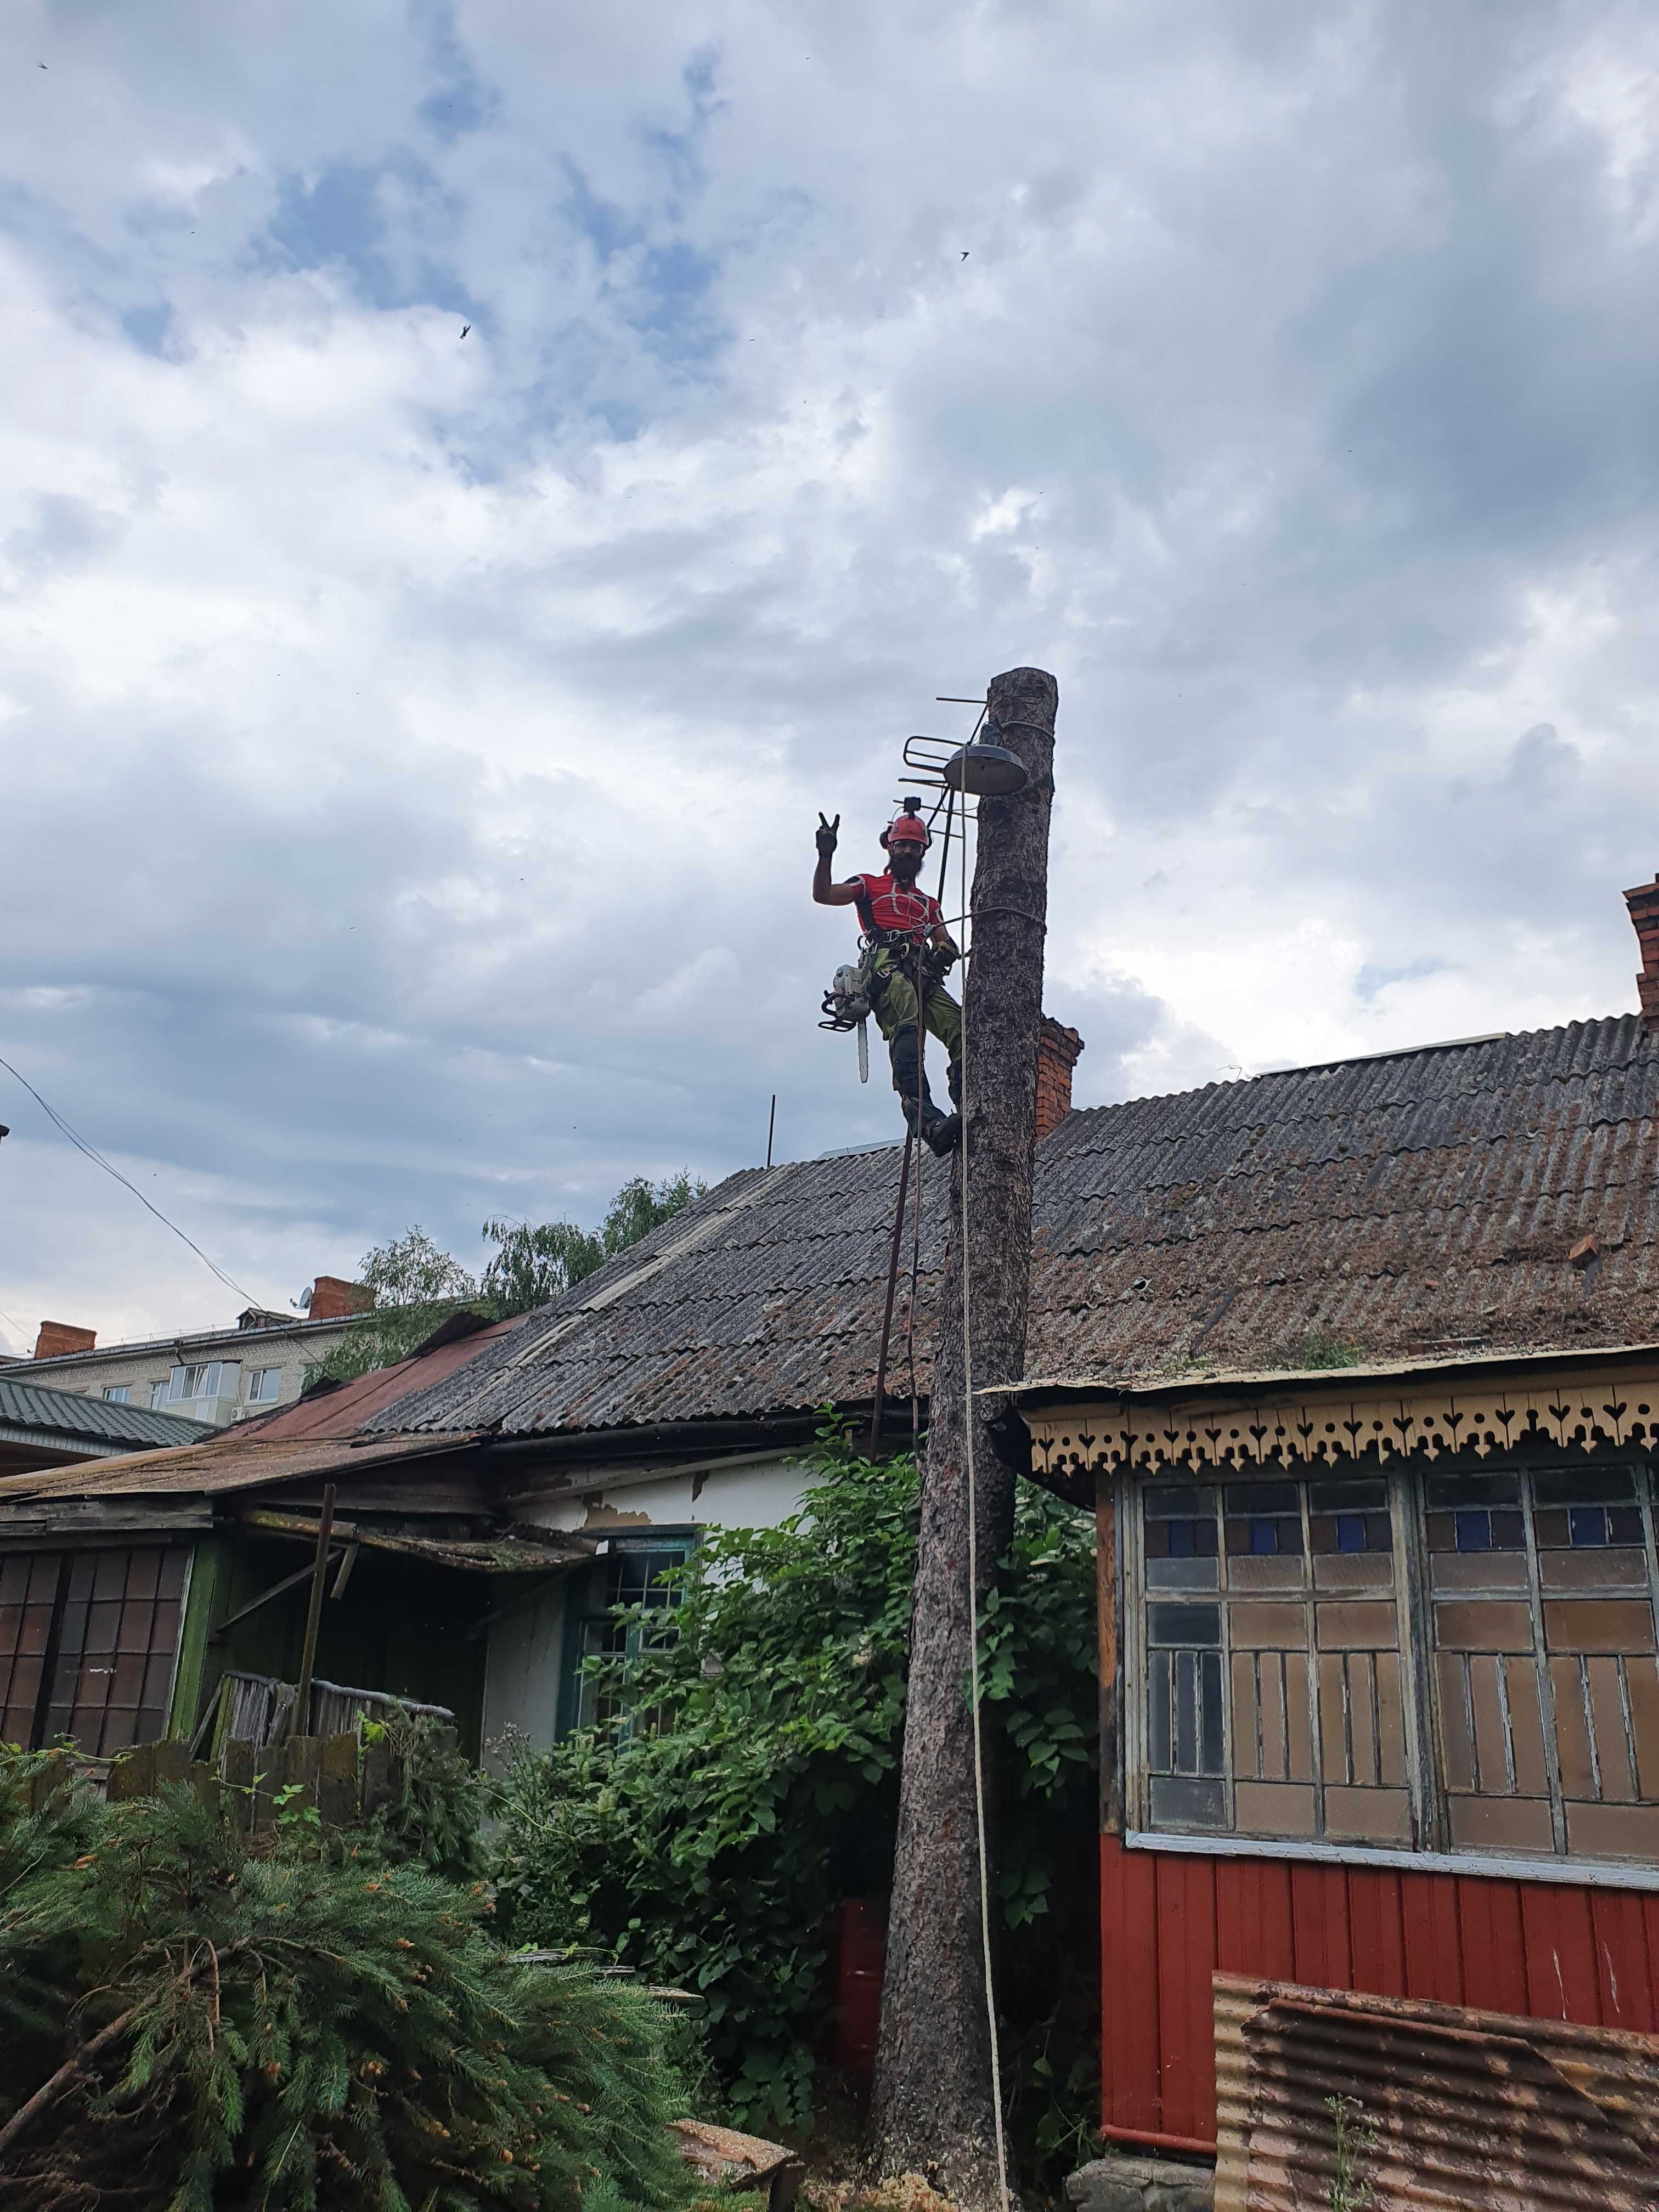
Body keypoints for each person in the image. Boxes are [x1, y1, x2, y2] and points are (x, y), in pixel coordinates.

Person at [814, 799, 962, 1154]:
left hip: (922, 971)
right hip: (887, 965)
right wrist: (825, 855)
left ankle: (968, 1099)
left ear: (923, 851)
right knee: (906, 1021)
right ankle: (926, 1120)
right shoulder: (868, 885)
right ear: (889, 846)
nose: (908, 850)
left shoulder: (929, 904)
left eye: (915, 846)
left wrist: (946, 951)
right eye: (902, 845)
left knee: (961, 1026)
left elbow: (946, 941)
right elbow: (823, 895)